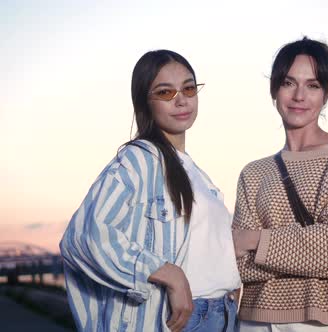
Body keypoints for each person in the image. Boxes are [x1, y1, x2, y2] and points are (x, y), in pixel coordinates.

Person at [60, 50, 241, 332]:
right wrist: (170, 274)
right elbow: (86, 235)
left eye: (189, 88)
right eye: (165, 92)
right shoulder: (139, 160)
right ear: (145, 102)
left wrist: (231, 283)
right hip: (184, 319)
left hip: (223, 316)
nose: (181, 99)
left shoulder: (195, 173)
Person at [231, 37, 328, 331]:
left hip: (323, 322)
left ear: (326, 95)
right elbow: (238, 266)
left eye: (312, 85)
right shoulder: (253, 173)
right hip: (253, 322)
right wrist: (310, 253)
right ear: (274, 89)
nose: (299, 95)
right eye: (289, 83)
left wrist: (254, 240)